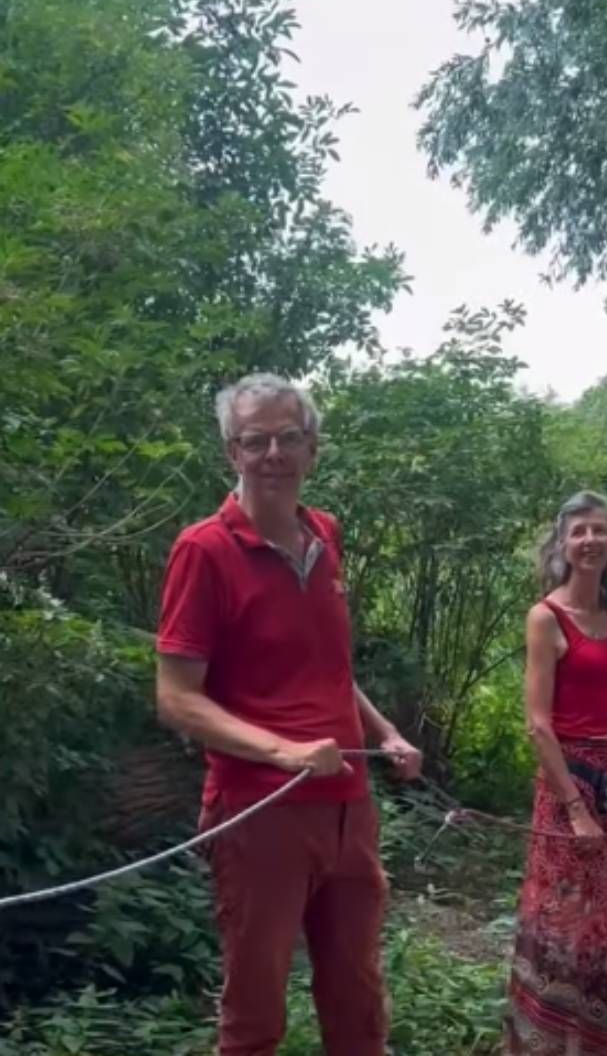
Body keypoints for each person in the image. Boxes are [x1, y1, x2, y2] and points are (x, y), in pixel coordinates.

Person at [155, 375, 424, 1054]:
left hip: (349, 809)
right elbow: (177, 698)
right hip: (259, 813)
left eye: (287, 437)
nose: (271, 453)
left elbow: (329, 668)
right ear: (231, 453)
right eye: (254, 441)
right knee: (255, 1014)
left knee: (358, 1002)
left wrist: (384, 732)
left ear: (312, 448)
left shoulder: (323, 534)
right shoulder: (204, 550)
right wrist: (284, 751)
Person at [509, 493, 607, 1052]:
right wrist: (575, 808)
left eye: (600, 530)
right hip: (568, 783)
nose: (591, 540)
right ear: (563, 544)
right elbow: (537, 724)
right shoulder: (545, 618)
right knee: (572, 921)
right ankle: (556, 1038)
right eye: (579, 531)